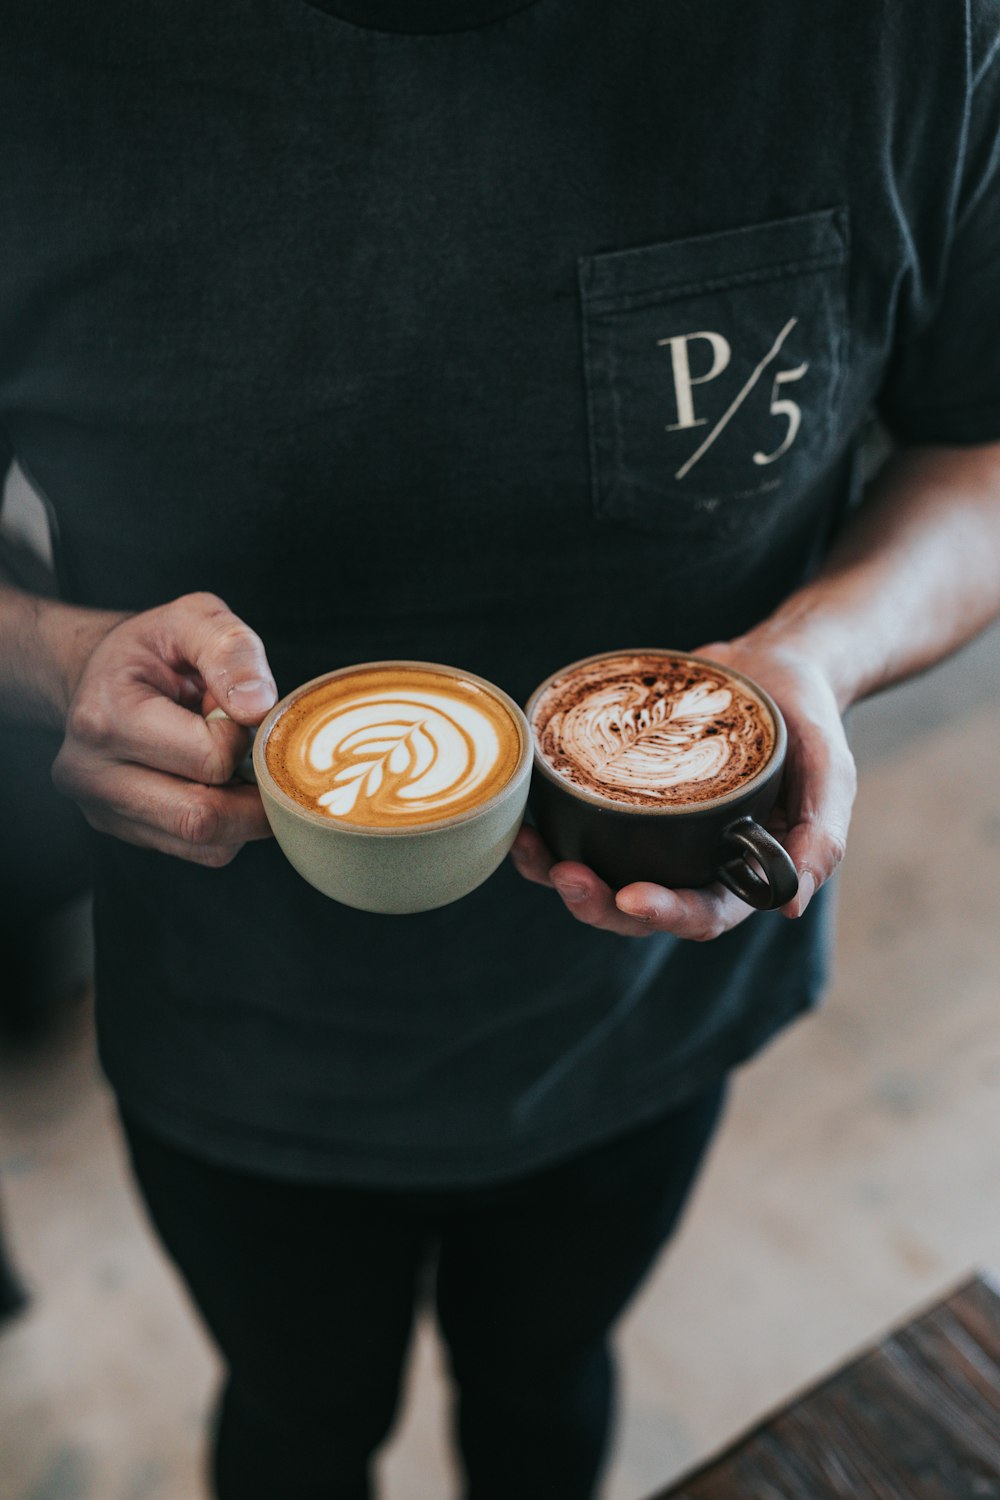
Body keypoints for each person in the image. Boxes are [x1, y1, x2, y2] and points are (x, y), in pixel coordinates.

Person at [2, 2, 999, 1496]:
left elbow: (980, 445)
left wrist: (825, 648)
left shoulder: (895, 32)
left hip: (658, 991)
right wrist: (51, 655)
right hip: (236, 1030)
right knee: (294, 1420)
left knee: (547, 1390)